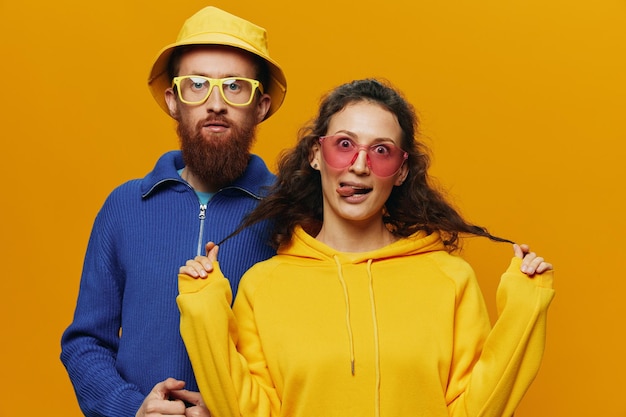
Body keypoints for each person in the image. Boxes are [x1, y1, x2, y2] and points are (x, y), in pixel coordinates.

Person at [177, 78, 555, 417]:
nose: (359, 165)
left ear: (402, 170)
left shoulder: (450, 278)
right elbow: (248, 411)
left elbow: (475, 409)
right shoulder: (262, 285)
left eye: (381, 151)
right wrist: (204, 310)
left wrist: (526, 309)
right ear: (315, 154)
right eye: (344, 145)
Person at [60, 6, 287, 416]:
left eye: (235, 86)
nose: (215, 103)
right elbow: (86, 342)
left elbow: (309, 352)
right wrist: (131, 409)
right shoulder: (125, 207)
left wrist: (233, 407)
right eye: (196, 84)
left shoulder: (290, 211)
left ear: (261, 106)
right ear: (173, 101)